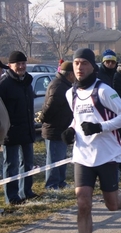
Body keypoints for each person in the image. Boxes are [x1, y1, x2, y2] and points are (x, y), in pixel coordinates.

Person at [62, 48, 121, 233]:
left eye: (84, 63)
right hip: (82, 155)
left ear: (92, 66)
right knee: (83, 202)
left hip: (106, 154)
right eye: (76, 63)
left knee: (111, 203)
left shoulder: (104, 90)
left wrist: (100, 127)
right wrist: (71, 130)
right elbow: (77, 119)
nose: (79, 67)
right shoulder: (71, 93)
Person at [0, 51, 38, 205]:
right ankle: (12, 197)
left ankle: (26, 191)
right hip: (11, 132)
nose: (21, 66)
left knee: (28, 163)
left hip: (27, 130)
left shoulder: (27, 81)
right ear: (10, 66)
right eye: (18, 64)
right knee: (11, 166)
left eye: (23, 63)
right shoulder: (4, 84)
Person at [39, 61, 75, 190]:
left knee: (61, 157)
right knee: (54, 159)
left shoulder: (64, 85)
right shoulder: (59, 86)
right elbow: (50, 106)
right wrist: (43, 119)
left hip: (62, 127)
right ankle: (52, 185)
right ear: (70, 74)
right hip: (54, 129)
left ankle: (61, 181)